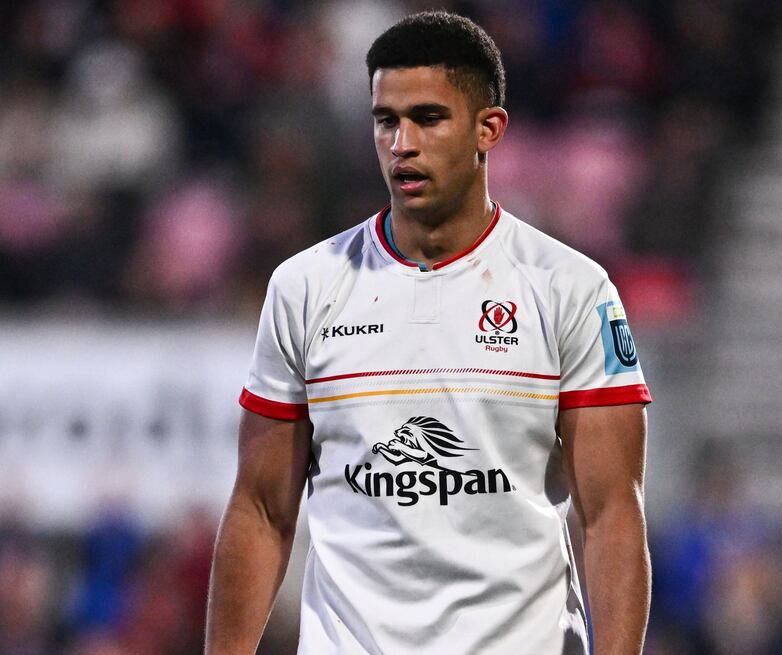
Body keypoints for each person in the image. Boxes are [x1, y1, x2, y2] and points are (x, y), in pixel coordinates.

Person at [206, 10, 651, 655]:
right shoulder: (303, 287)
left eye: (428, 119)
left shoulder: (570, 289)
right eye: (386, 121)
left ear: (488, 129)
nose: (402, 144)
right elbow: (261, 507)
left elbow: (611, 514)